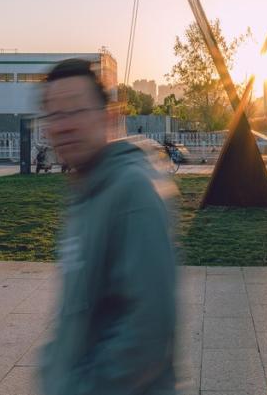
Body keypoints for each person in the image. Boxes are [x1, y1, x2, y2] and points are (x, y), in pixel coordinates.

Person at [38, 58, 177, 395]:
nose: (64, 126)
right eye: (54, 115)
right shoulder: (85, 191)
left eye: (76, 111)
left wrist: (76, 387)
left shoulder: (133, 191)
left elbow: (148, 332)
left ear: (108, 118)